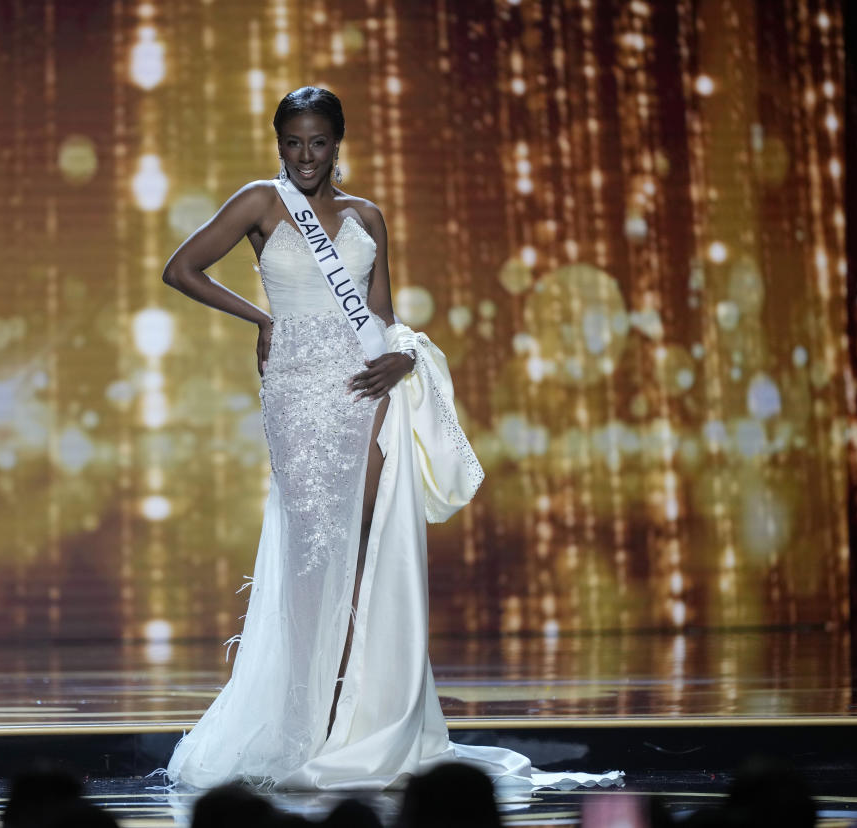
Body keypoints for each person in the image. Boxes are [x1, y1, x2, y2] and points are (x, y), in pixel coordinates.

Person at [161, 86, 618, 792]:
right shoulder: (260, 201)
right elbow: (181, 269)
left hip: (367, 389)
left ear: (338, 142)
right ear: (278, 143)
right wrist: (261, 318)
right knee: (314, 550)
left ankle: (353, 715)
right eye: (292, 142)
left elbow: (383, 316)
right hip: (298, 394)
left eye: (317, 142)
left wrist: (405, 355)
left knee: (366, 544)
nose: (304, 155)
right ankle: (301, 718)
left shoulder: (367, 214)